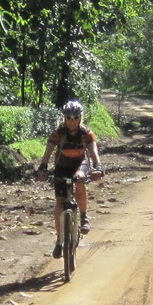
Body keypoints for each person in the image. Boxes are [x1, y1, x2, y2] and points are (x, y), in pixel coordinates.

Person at [35, 99, 105, 258]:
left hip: (81, 164)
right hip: (62, 166)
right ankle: (59, 241)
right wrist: (43, 167)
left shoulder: (86, 133)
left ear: (80, 118)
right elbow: (48, 152)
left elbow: (93, 152)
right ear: (64, 119)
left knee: (79, 179)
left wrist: (98, 166)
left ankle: (83, 216)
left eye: (75, 118)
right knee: (59, 202)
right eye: (68, 118)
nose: (72, 121)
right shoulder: (58, 133)